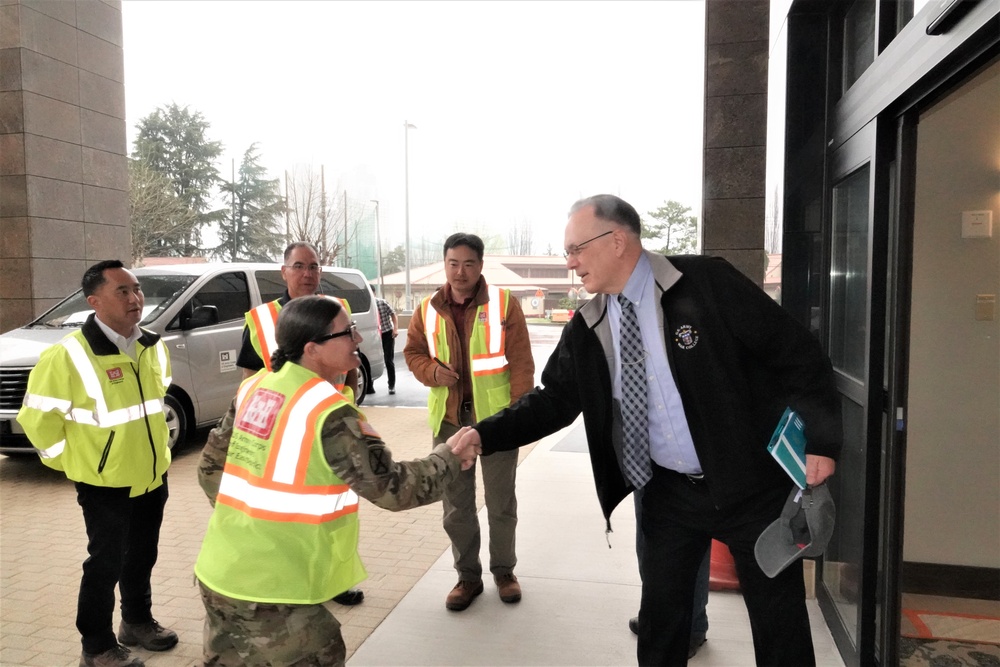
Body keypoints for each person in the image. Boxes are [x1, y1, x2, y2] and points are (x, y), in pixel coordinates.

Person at [456, 194, 842, 665]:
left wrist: (821, 440)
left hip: (750, 486)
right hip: (668, 493)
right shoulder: (590, 324)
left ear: (617, 240)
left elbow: (796, 352)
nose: (571, 263)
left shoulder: (704, 283)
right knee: (661, 622)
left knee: (778, 622)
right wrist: (484, 433)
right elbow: (554, 399)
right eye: (567, 252)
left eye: (576, 248)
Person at [195, 296, 476, 666]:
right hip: (275, 590)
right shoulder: (328, 412)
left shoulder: (256, 388)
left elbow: (208, 470)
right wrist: (449, 459)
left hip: (220, 571)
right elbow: (393, 489)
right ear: (312, 349)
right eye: (348, 332)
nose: (358, 339)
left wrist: (248, 523)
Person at [17, 260, 179, 667]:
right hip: (104, 482)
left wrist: (158, 458)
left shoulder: (151, 345)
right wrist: (78, 465)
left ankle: (137, 622)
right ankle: (97, 646)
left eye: (136, 289)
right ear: (94, 301)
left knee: (142, 554)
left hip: (150, 474)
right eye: (122, 291)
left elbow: (153, 407)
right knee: (104, 565)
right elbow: (37, 421)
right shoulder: (67, 355)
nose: (135, 298)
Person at [403, 233, 535, 611]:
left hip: (495, 421)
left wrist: (518, 417)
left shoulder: (504, 305)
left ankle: (504, 571)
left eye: (469, 264)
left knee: (500, 502)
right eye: (453, 263)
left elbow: (522, 364)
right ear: (445, 264)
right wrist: (430, 371)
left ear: (480, 265)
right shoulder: (427, 309)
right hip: (448, 420)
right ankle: (467, 577)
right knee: (455, 505)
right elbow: (412, 352)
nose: (461, 272)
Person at [236, 241, 362, 605]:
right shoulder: (261, 320)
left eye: (314, 266)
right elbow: (248, 379)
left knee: (336, 509)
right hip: (286, 436)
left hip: (332, 428)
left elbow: (352, 362)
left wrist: (348, 402)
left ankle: (335, 579)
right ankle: (297, 579)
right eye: (299, 266)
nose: (308, 274)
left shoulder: (337, 310)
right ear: (284, 271)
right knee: (295, 514)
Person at [375, 296, 398, 395]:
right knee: (372, 359)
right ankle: (369, 386)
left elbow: (393, 314)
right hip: (375, 335)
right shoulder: (366, 305)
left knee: (388, 360)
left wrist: (395, 328)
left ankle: (391, 385)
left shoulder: (382, 303)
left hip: (387, 333)